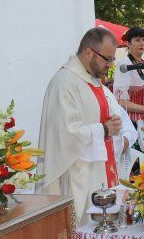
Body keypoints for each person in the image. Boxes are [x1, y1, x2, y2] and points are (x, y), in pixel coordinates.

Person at [35, 27, 138, 226]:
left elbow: (111, 120)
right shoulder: (64, 83)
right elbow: (65, 134)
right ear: (89, 52)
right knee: (84, 230)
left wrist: (117, 130)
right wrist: (104, 129)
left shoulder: (94, 82)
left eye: (112, 59)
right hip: (79, 175)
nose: (110, 65)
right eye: (107, 59)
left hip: (102, 172)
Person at [113, 27, 144, 150]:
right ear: (128, 43)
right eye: (137, 40)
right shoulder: (124, 65)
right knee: (141, 159)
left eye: (143, 39)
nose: (142, 43)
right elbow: (120, 101)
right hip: (134, 124)